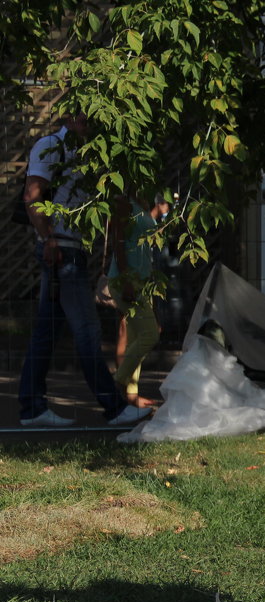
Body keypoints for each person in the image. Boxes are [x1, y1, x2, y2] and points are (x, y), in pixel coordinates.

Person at [17, 113, 152, 428]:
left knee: (45, 335)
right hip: (61, 251)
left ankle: (32, 408)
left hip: (70, 249)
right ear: (68, 118)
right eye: (84, 117)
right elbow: (31, 196)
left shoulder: (90, 154)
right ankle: (115, 408)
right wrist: (49, 238)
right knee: (87, 332)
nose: (91, 123)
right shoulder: (51, 147)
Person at [108, 194, 169, 409]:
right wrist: (125, 281)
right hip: (128, 281)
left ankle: (131, 396)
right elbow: (118, 241)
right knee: (148, 335)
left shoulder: (141, 201)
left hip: (142, 282)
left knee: (138, 336)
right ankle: (115, 383)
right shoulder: (123, 200)